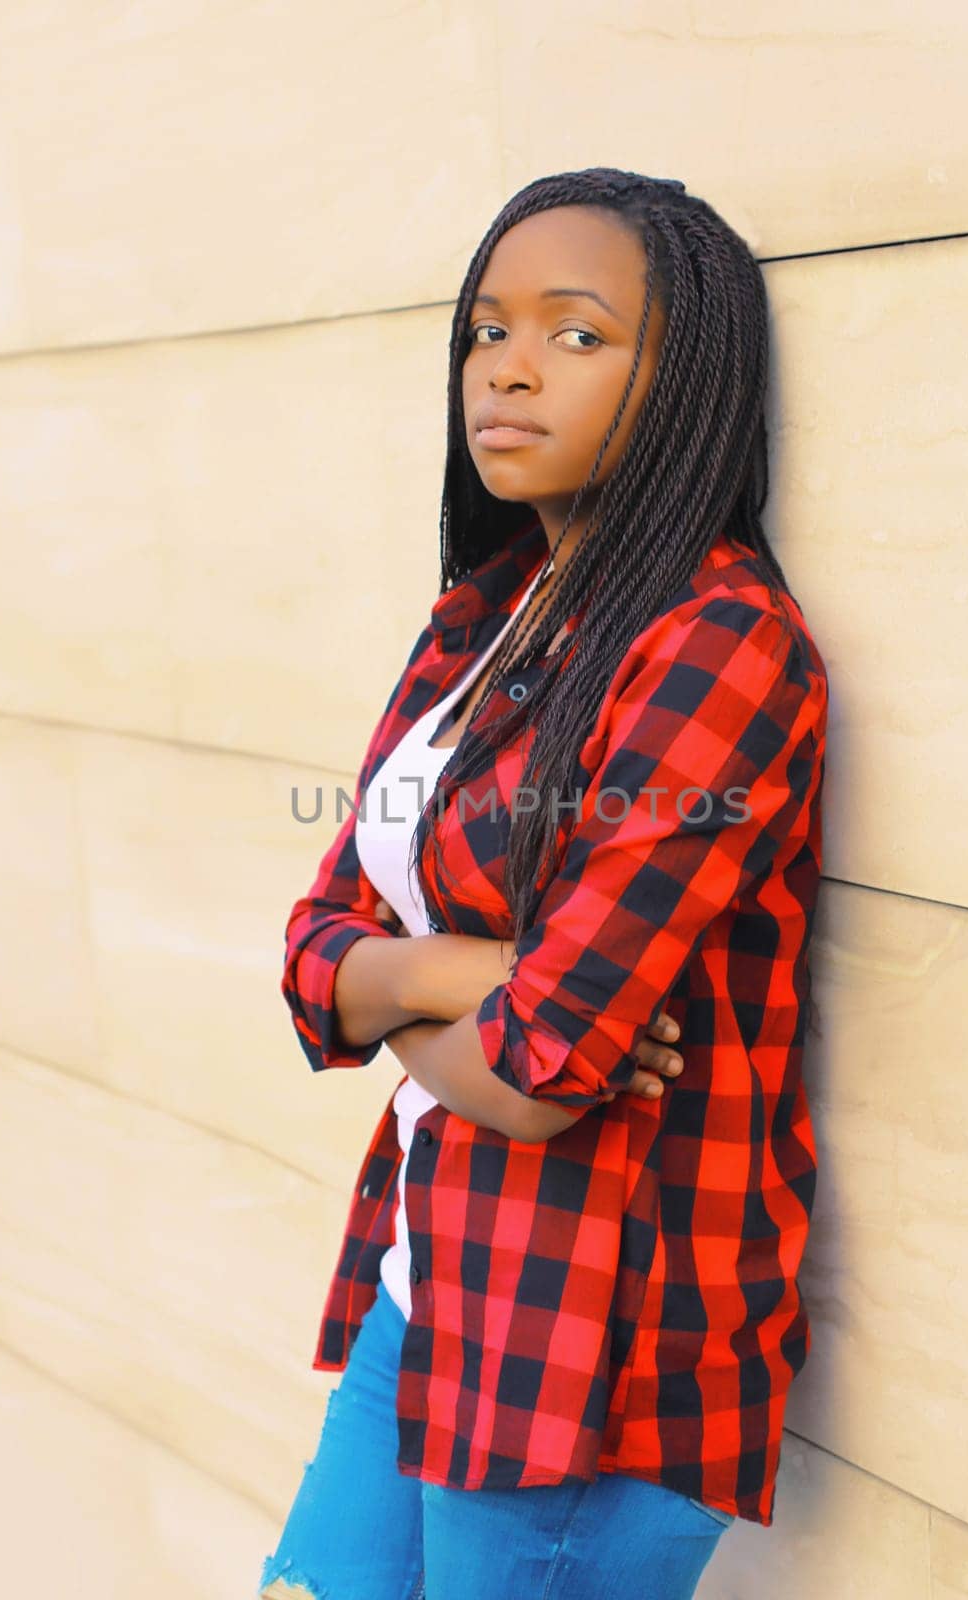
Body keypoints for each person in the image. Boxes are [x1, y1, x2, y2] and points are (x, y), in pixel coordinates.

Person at [260, 166, 830, 1600]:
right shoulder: (482, 613)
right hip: (429, 1279)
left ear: (688, 375)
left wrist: (390, 980)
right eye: (487, 329)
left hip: (586, 1353)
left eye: (578, 335)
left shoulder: (720, 644)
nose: (508, 367)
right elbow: (315, 943)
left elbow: (541, 1072)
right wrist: (462, 973)